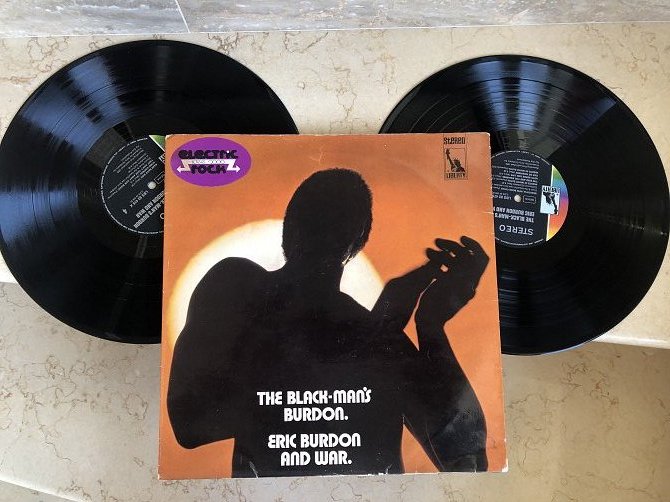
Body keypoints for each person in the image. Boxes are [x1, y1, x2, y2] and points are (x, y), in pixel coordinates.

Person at [167, 168, 489, 477]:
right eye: (314, 220)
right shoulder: (240, 288)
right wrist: (379, 333)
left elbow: (468, 460)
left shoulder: (381, 339)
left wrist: (430, 324)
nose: (320, 234)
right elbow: (189, 421)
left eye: (333, 224)